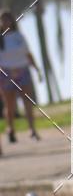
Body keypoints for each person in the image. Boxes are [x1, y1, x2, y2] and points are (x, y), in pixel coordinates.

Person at [0, 11, 41, 143]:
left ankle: (32, 130)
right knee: (10, 105)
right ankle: (10, 129)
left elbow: (28, 53)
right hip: (5, 74)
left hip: (23, 71)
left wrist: (36, 69)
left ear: (12, 21)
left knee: (27, 102)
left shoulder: (19, 36)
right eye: (3, 19)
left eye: (8, 19)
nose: (6, 22)